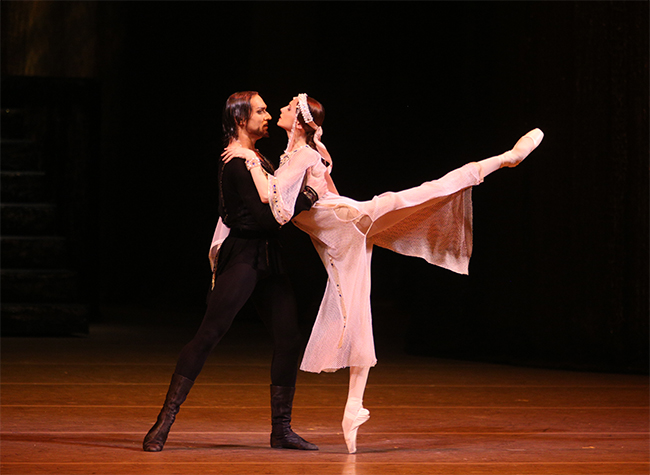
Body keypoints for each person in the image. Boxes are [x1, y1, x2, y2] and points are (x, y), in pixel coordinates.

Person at [222, 93, 544, 453]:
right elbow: (322, 194)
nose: (276, 111)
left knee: (425, 193)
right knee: (355, 314)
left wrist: (249, 160)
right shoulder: (299, 155)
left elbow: (277, 207)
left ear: (297, 119)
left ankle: (506, 159)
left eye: (283, 109)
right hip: (336, 237)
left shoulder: (304, 155)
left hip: (351, 222)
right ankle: (353, 409)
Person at [143, 91, 325, 452]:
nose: (268, 115)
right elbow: (266, 217)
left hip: (268, 258)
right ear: (241, 119)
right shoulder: (237, 162)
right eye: (260, 110)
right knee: (209, 334)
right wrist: (305, 199)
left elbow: (277, 204)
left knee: (289, 339)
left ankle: (281, 430)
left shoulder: (257, 158)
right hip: (243, 254)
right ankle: (163, 422)